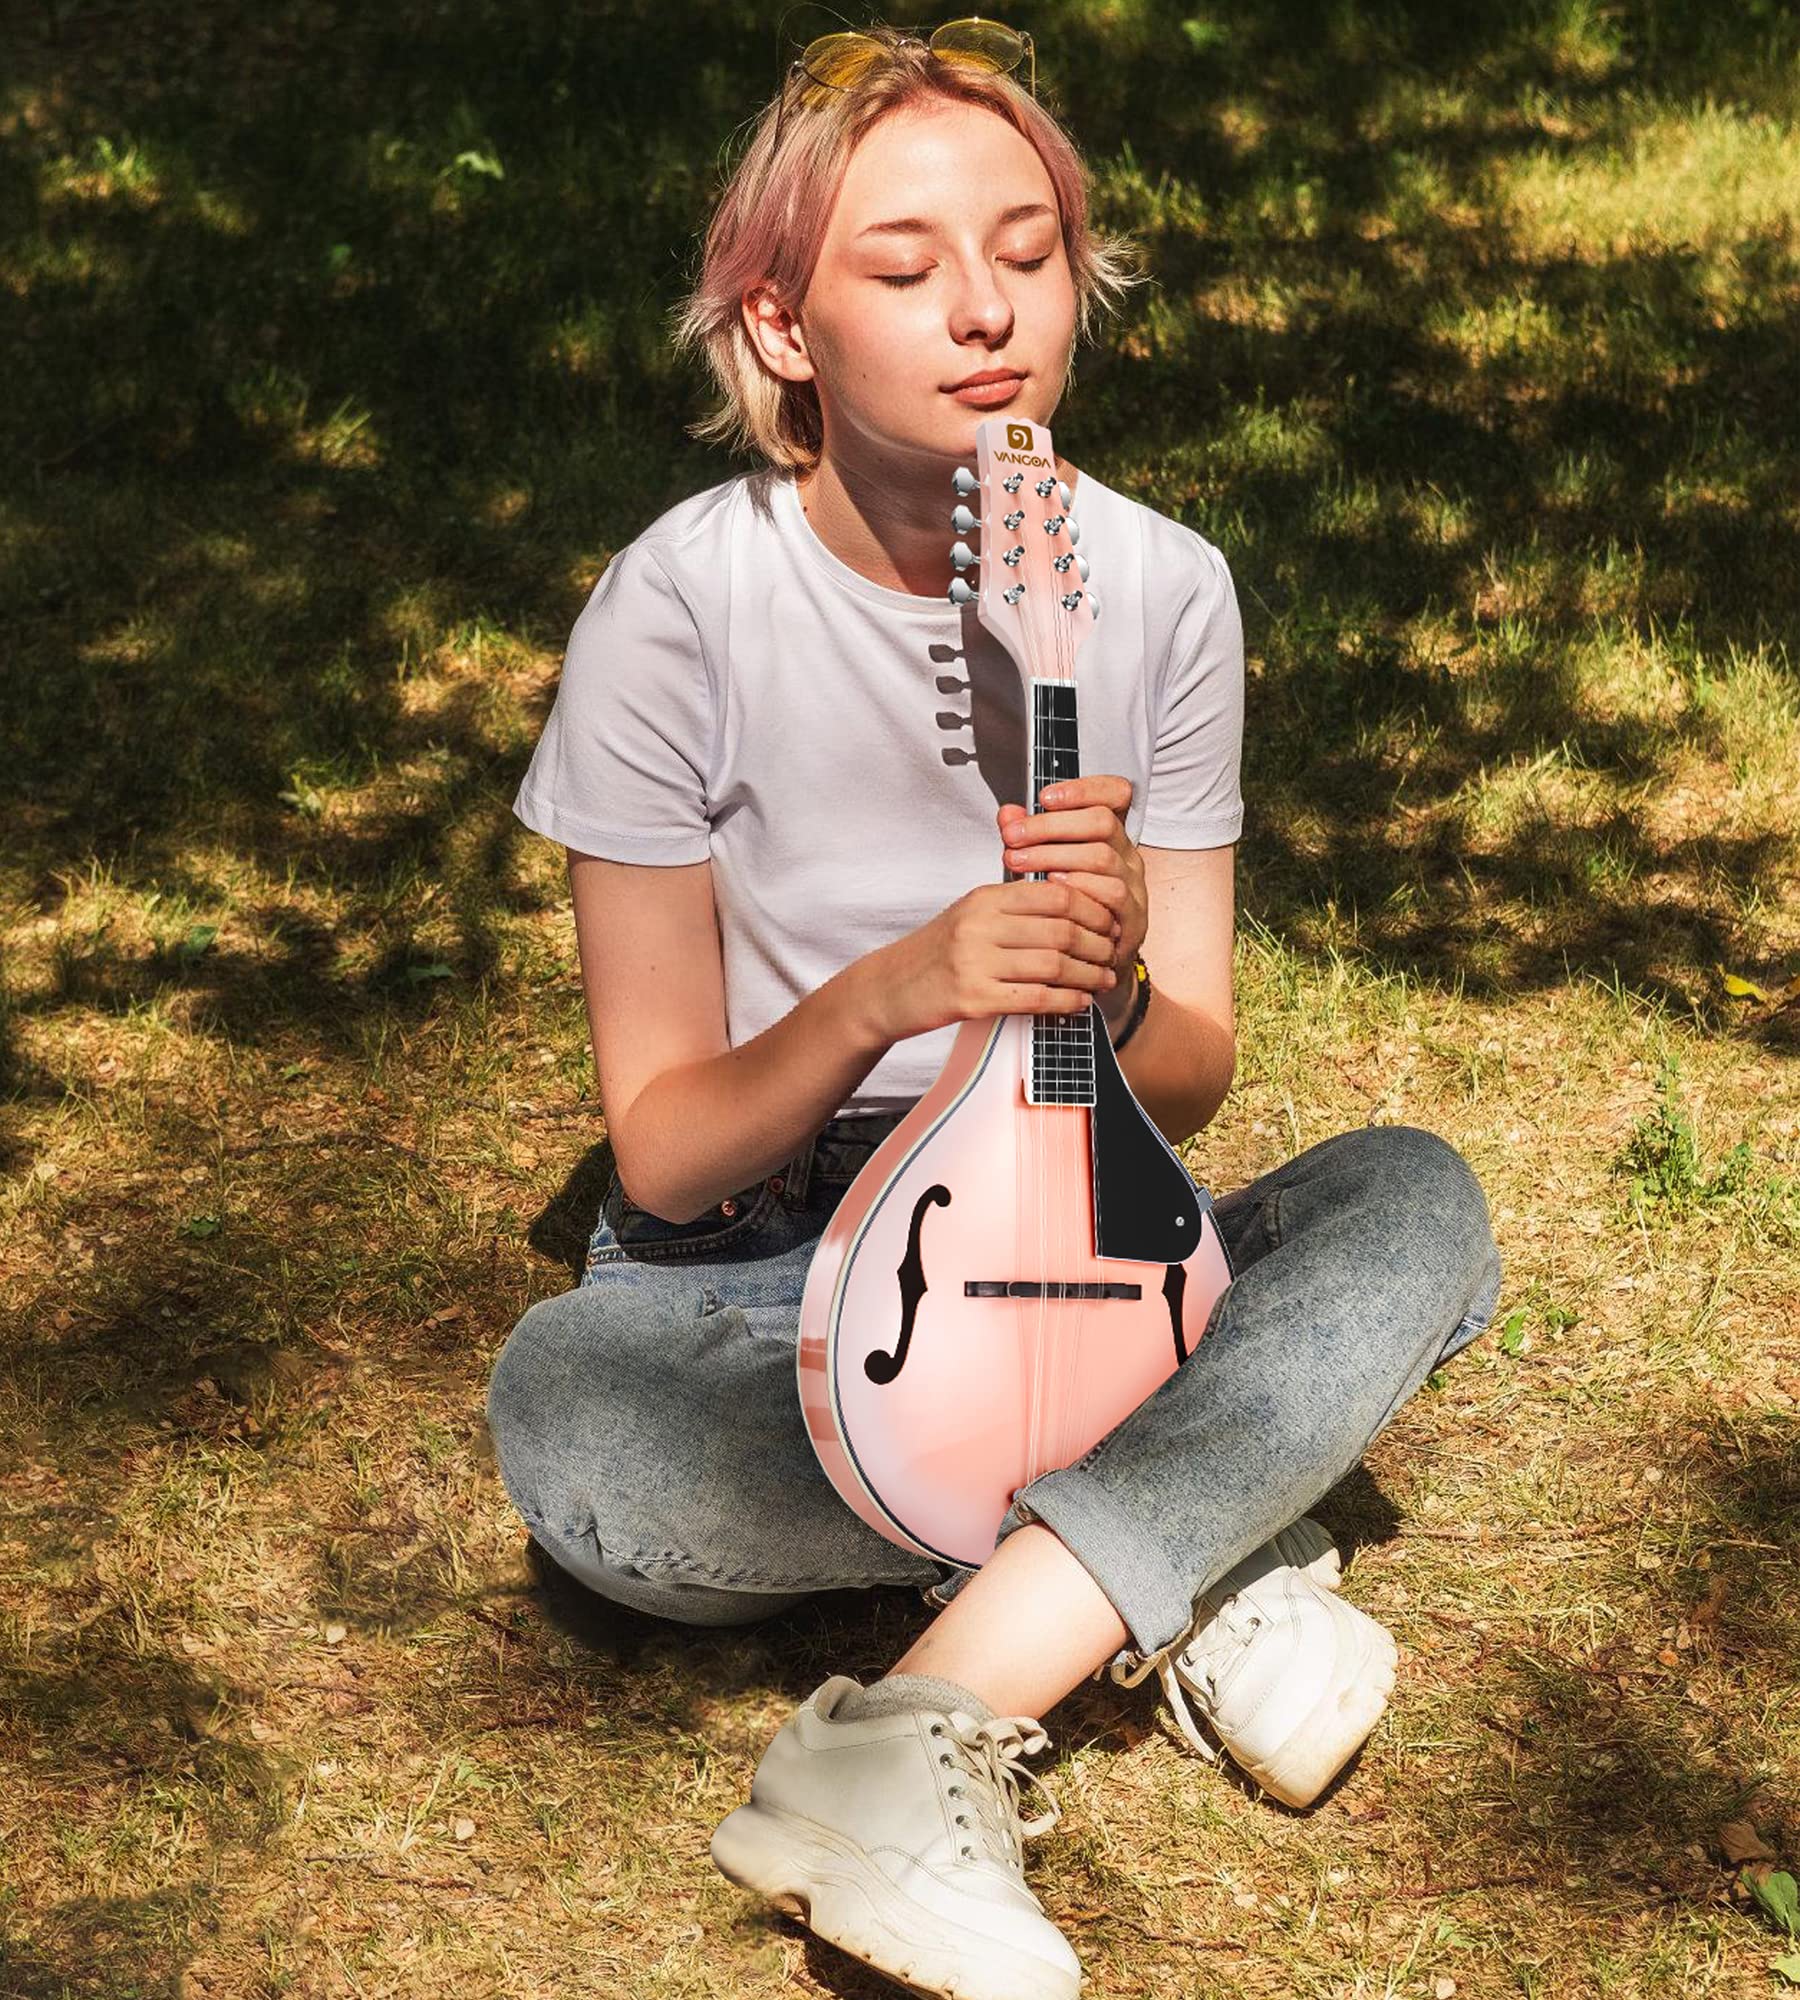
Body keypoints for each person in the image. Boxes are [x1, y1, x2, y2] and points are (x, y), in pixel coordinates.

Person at [485, 22, 1502, 2000]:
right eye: (904, 265)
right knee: (579, 1425)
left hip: (1069, 1218)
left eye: (1028, 252)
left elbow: (1193, 1063)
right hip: (762, 1258)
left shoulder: (1163, 591)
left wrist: (1105, 984)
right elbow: (671, 1142)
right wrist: (896, 987)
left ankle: (922, 1713)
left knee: (1414, 1201)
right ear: (779, 326)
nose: (985, 310)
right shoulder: (679, 607)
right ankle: (1190, 1551)